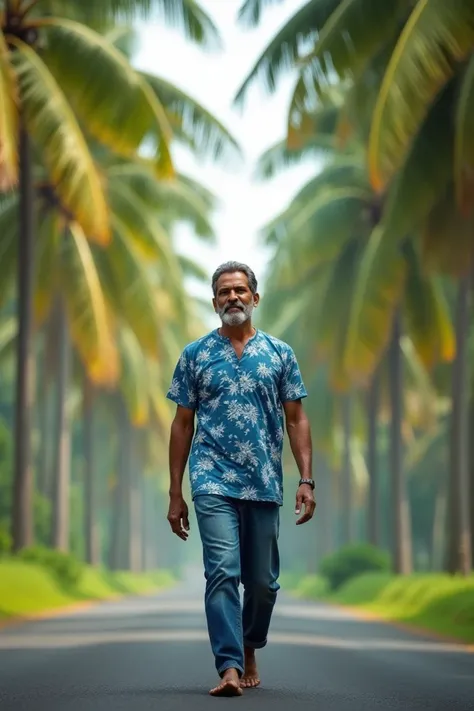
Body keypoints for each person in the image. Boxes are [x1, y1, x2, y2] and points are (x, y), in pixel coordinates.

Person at [166, 261, 316, 697]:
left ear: (255, 297)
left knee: (264, 584)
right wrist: (176, 492)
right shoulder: (195, 355)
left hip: (265, 482)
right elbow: (181, 425)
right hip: (211, 479)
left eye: (240, 290)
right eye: (224, 292)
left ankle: (251, 645)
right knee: (222, 572)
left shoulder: (280, 354)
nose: (232, 297)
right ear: (214, 303)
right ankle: (229, 666)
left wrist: (307, 480)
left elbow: (296, 418)